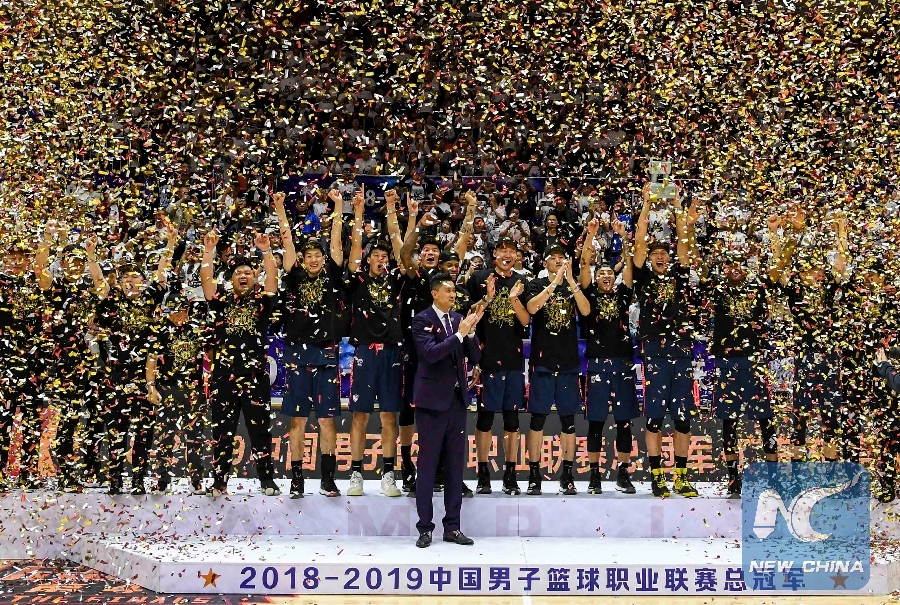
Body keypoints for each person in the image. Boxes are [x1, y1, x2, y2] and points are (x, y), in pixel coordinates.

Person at [87, 229, 174, 494]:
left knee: (144, 430)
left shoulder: (150, 297)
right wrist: (91, 254)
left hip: (146, 374)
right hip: (116, 375)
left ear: (144, 282)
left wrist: (171, 241)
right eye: (125, 277)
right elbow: (99, 280)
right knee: (117, 429)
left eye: (134, 276)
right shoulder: (113, 301)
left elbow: (162, 271)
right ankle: (115, 478)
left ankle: (138, 478)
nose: (129, 280)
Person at [200, 229, 281, 497]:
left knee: (260, 431)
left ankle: (267, 480)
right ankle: (219, 481)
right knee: (222, 431)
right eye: (237, 273)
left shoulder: (262, 301)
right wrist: (208, 251)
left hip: (255, 375)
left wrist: (266, 251)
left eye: (247, 272)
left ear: (254, 277)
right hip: (224, 376)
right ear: (231, 278)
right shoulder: (221, 301)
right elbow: (207, 282)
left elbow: (273, 279)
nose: (243, 276)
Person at [277, 189, 345, 498]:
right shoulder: (294, 277)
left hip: (326, 354)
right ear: (302, 261)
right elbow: (287, 243)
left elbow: (337, 243)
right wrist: (280, 208)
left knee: (327, 420)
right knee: (298, 421)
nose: (314, 259)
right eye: (309, 256)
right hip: (296, 355)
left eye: (318, 255)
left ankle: (327, 478)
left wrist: (339, 206)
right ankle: (297, 479)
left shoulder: (332, 276)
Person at [632, 184, 699, 498]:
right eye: (655, 254)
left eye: (664, 253)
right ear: (649, 259)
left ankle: (682, 477)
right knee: (655, 418)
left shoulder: (679, 276)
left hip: (682, 352)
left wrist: (677, 206)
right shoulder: (643, 277)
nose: (660, 256)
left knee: (683, 419)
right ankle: (657, 476)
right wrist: (647, 204)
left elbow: (684, 244)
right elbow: (639, 241)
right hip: (656, 353)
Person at [411, 272, 483, 548]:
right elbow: (431, 353)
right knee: (428, 465)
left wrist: (471, 334)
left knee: (455, 466)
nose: (453, 295)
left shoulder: (457, 320)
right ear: (435, 293)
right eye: (448, 291)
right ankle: (424, 527)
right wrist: (460, 334)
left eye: (454, 291)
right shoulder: (422, 320)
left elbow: (475, 356)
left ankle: (452, 526)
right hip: (431, 401)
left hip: (456, 400)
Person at [345, 188, 406, 498]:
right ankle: (356, 473)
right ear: (367, 259)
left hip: (392, 353)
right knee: (359, 415)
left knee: (389, 416)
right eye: (376, 256)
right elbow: (354, 248)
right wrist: (358, 212)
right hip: (364, 353)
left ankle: (388, 474)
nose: (381, 259)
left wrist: (391, 208)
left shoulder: (397, 280)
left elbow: (399, 246)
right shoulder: (357, 280)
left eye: (385, 256)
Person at [522, 246, 590, 496]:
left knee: (568, 420)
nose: (559, 261)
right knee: (537, 419)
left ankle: (567, 474)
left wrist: (570, 281)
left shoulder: (572, 286)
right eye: (554, 258)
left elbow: (585, 311)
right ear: (545, 262)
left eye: (563, 258)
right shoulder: (536, 283)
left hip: (568, 363)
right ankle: (534, 475)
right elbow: (532, 308)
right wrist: (554, 284)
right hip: (543, 362)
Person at [579, 218, 638, 495]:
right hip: (597, 365)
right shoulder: (589, 294)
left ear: (613, 277)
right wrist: (590, 236)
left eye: (608, 272)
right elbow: (584, 266)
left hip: (623, 364)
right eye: (600, 272)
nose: (605, 275)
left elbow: (630, 267)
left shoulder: (623, 294)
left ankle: (623, 474)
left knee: (624, 422)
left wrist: (624, 238)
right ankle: (594, 475)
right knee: (596, 423)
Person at [467, 236, 530, 495]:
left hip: (513, 360)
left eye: (512, 250)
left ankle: (510, 473)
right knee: (485, 418)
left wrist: (514, 299)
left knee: (512, 420)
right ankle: (483, 473)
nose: (507, 254)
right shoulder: (478, 278)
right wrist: (487, 298)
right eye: (503, 250)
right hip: (486, 359)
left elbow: (525, 321)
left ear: (517, 256)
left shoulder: (523, 281)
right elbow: (469, 315)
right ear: (494, 255)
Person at [0, 237, 52, 490]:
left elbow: (44, 271)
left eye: (21, 258)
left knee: (31, 417)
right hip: (4, 362)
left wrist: (47, 239)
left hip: (34, 363)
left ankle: (29, 473)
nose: (16, 262)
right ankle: (1, 472)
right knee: (3, 419)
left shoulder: (36, 282)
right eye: (12, 258)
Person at [145, 291, 206, 494]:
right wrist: (151, 387)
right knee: (165, 437)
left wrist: (208, 384)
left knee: (195, 437)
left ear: (187, 310)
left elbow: (211, 356)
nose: (177, 316)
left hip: (194, 389)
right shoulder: (160, 331)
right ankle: (162, 480)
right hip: (167, 388)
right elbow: (151, 362)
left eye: (181, 311)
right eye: (172, 312)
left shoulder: (197, 329)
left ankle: (196, 479)